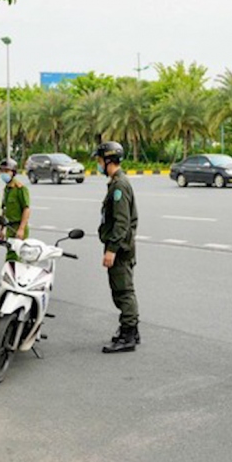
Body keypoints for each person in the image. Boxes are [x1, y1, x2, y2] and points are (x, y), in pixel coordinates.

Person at [95, 141, 141, 354]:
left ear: (108, 161)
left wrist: (111, 250)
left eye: (99, 160)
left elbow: (122, 222)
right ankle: (132, 330)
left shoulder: (119, 186)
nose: (98, 164)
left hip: (120, 249)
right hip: (121, 246)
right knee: (122, 289)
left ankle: (128, 335)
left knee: (123, 291)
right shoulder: (116, 183)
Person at [0, 158, 31, 261]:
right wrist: (1, 229)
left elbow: (26, 209)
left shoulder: (20, 189)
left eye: (6, 171)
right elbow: (4, 209)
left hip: (18, 227)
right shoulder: (6, 189)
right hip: (9, 227)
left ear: (13, 172)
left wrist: (21, 229)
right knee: (11, 254)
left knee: (15, 257)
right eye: (2, 171)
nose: (4, 174)